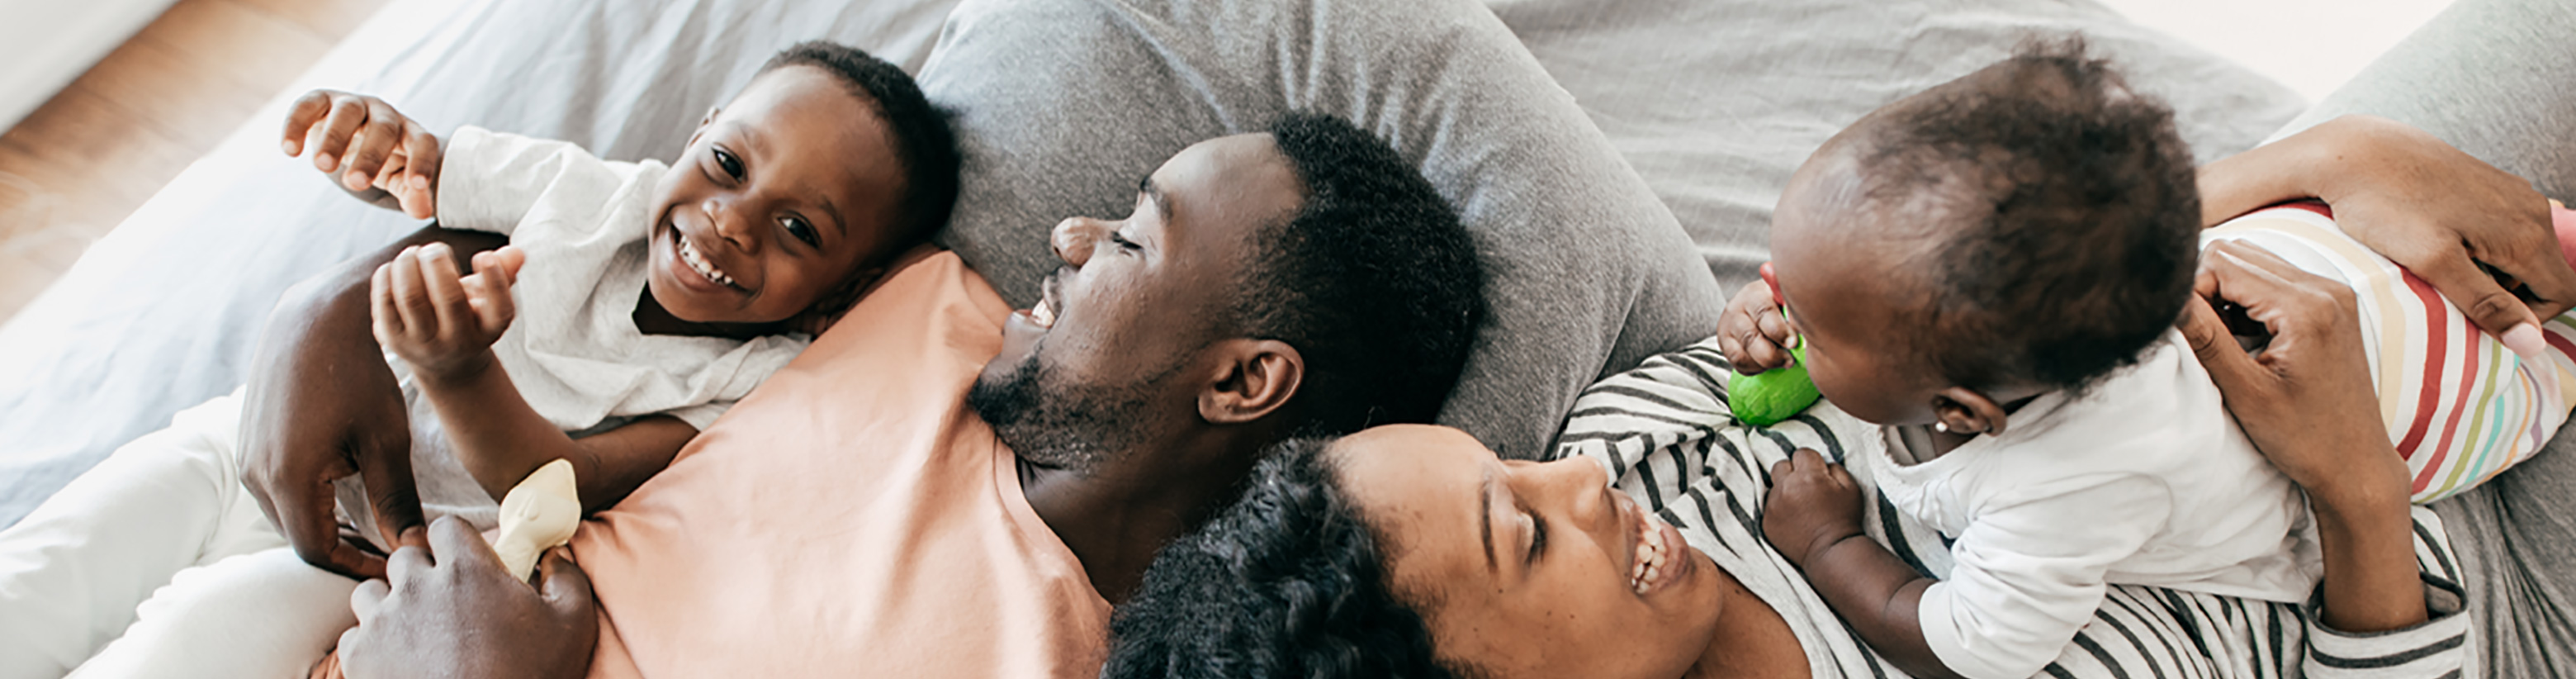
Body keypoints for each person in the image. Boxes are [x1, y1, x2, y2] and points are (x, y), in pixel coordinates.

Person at [1096, 111, 2576, 678]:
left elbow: (1954, 304)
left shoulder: (1639, 446)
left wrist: (2328, 159)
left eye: (1518, 470)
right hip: (2482, 570)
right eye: (1528, 534)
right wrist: (2353, 484)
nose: (1578, 478)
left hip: (2291, 280)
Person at [309, 111, 1485, 678]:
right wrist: (320, 321)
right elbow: (635, 236)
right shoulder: (921, 302)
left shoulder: (1075, 662)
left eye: (1133, 238)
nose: (1073, 235)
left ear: (1240, 381)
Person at [0, 40, 959, 679]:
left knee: (175, 650)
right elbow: (423, 169)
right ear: (701, 130)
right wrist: (368, 141)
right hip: (231, 443)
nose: (729, 223)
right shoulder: (582, 193)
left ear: (847, 286)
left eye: (797, 228)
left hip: (366, 564)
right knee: (35, 583)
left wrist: (462, 372)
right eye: (728, 166)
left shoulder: (747, 387)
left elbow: (565, 483)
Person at [1716, 40, 2576, 678]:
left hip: (2429, 392)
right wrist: (2362, 486)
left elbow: (1962, 646)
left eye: (1805, 311)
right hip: (2341, 322)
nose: (1777, 299)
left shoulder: (2059, 489)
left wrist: (1829, 543)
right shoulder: (2066, 312)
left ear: (1968, 411)